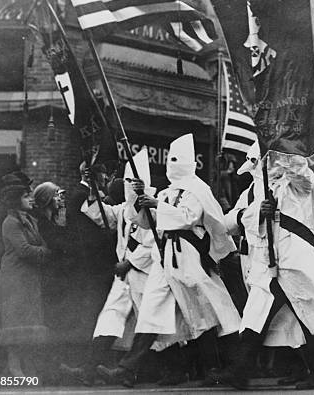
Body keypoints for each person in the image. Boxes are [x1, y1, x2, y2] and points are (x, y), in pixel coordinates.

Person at [97, 134, 241, 387]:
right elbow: (146, 222)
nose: (172, 165)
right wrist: (139, 200)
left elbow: (188, 217)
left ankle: (217, 369)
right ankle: (127, 369)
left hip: (189, 257)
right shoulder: (166, 192)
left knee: (204, 313)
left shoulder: (197, 189)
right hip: (164, 258)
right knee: (153, 310)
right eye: (170, 161)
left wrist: (157, 205)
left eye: (177, 160)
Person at [217, 150, 314, 390]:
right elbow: (227, 222)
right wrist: (255, 213)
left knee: (309, 312)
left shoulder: (296, 182)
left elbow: (302, 176)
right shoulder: (252, 191)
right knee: (258, 314)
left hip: (294, 258)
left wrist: (287, 151)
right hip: (266, 263)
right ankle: (240, 371)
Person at [63, 150, 158, 386]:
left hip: (145, 275)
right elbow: (99, 213)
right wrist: (90, 186)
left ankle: (145, 371)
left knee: (151, 325)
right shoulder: (124, 210)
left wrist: (131, 262)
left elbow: (155, 243)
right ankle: (89, 369)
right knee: (110, 319)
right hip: (124, 277)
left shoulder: (153, 209)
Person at [0, 178, 51, 378]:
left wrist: (42, 250)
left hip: (28, 278)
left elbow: (39, 245)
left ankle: (24, 363)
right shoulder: (10, 222)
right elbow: (24, 250)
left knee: (28, 322)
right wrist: (45, 252)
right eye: (26, 196)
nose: (31, 199)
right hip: (14, 280)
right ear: (15, 200)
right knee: (14, 323)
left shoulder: (29, 220)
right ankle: (14, 365)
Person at [64, 162, 116, 346]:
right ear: (92, 175)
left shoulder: (86, 194)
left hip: (93, 260)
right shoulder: (81, 195)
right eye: (103, 173)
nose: (106, 178)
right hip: (89, 259)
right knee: (90, 307)